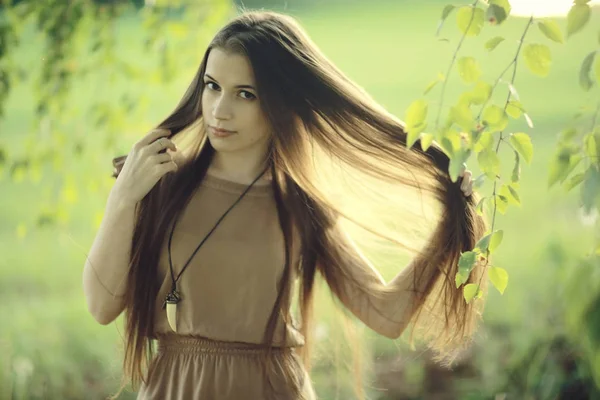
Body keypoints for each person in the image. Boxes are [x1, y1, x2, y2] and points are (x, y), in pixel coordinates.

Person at [82, 9, 484, 400]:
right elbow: (101, 306)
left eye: (246, 94)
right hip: (176, 387)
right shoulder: (160, 183)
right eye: (212, 86)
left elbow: (386, 314)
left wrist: (450, 217)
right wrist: (123, 198)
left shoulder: (301, 204)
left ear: (281, 103)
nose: (220, 110)